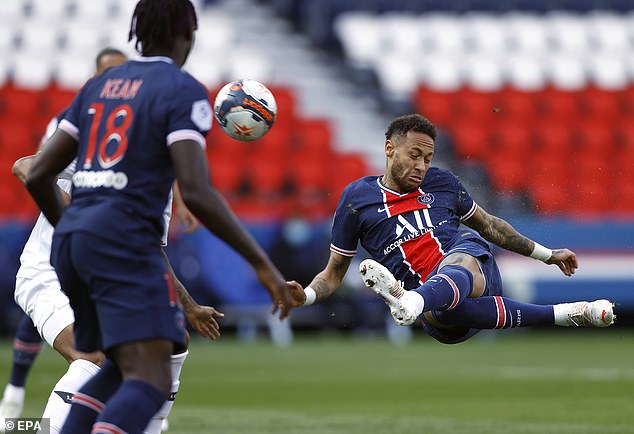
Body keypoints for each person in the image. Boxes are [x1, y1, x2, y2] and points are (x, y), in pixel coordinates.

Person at [25, 1, 293, 433]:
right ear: (187, 33)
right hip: (123, 246)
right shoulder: (180, 88)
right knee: (153, 376)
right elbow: (198, 191)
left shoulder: (102, 84)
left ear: (138, 33)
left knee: (114, 366)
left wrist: (72, 225)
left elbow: (36, 173)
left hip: (72, 246)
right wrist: (262, 264)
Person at [7, 47, 219, 434]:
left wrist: (188, 306)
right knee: (95, 357)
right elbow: (26, 168)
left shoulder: (153, 172)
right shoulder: (90, 136)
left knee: (171, 340)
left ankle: (24, 426)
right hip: (50, 271)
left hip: (104, 277)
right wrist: (79, 220)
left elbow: (150, 248)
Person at [287, 113, 614, 344]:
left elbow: (490, 226)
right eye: (414, 155)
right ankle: (568, 313)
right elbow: (333, 274)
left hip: (473, 269)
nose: (421, 166)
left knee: (461, 257)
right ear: (389, 149)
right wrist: (307, 295)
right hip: (440, 315)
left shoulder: (443, 182)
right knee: (450, 306)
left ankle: (411, 301)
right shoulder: (356, 199)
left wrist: (547, 255)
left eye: (427, 158)